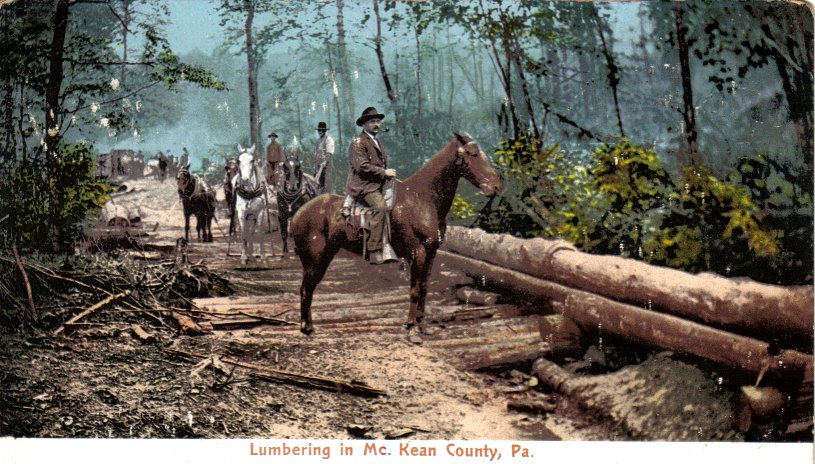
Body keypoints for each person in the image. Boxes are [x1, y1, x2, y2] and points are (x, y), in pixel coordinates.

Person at [345, 107, 397, 264]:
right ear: (364, 125)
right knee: (379, 207)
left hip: (377, 183)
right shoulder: (358, 143)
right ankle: (374, 250)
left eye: (378, 121)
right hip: (363, 186)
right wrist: (384, 173)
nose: (376, 124)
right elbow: (362, 166)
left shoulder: (376, 141)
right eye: (372, 121)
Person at [313, 122, 335, 194]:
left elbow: (329, 152)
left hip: (326, 166)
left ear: (325, 131)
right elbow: (316, 153)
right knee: (317, 183)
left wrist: (325, 162)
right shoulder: (318, 140)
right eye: (319, 130)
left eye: (322, 130)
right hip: (318, 166)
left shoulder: (328, 140)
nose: (320, 132)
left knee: (326, 185)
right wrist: (315, 165)